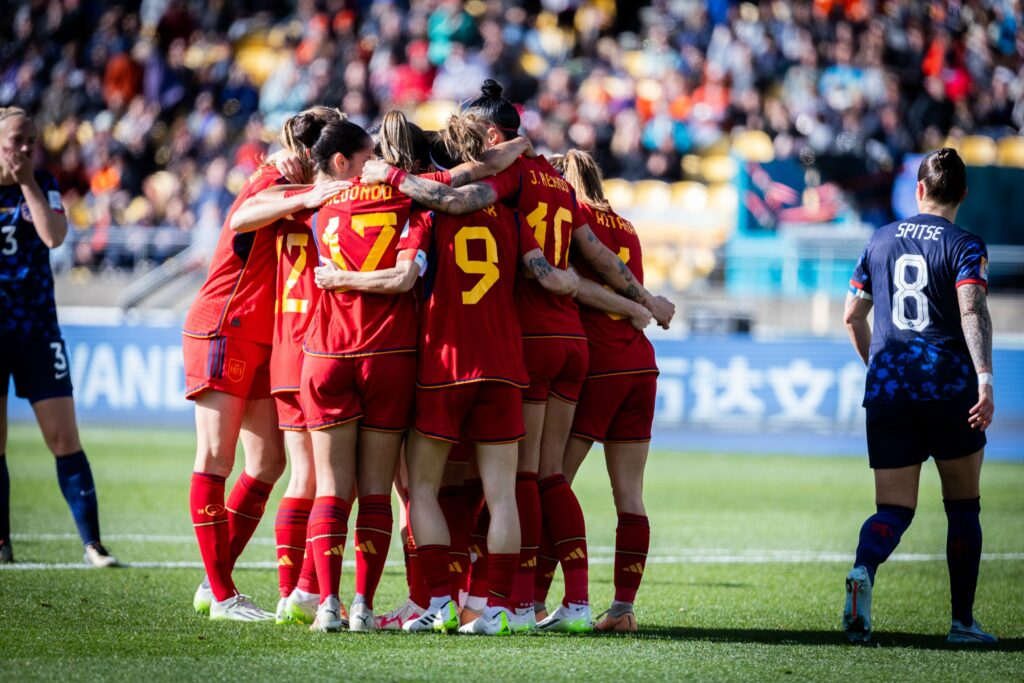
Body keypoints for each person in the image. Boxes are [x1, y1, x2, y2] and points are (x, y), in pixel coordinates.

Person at [361, 81, 675, 633]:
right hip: (572, 347)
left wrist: (389, 176)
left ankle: (491, 599)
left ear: (488, 136)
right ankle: (557, 601)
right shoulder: (556, 188)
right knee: (540, 481)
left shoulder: (508, 182)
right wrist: (642, 302)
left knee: (506, 480)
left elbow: (454, 193)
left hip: (507, 345)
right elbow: (581, 264)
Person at [328, 127, 577, 635]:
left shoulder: (427, 212)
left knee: (421, 486)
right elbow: (542, 274)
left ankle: (438, 600)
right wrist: (576, 283)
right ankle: (500, 608)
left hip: (445, 364)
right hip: (505, 365)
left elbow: (406, 277)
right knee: (503, 490)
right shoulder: (509, 216)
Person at [183, 107, 347, 622]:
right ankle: (223, 593)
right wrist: (309, 193)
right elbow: (242, 217)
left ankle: (216, 582)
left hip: (262, 339)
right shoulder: (273, 176)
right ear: (309, 152)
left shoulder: (289, 181)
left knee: (268, 464)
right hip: (224, 324)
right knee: (215, 457)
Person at [842, 148, 996, 645]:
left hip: (890, 391)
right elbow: (971, 312)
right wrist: (986, 378)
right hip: (949, 388)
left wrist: (878, 368)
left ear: (919, 190)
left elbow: (852, 315)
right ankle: (962, 623)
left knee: (893, 511)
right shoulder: (966, 245)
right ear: (963, 195)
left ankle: (864, 569)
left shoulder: (881, 238)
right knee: (963, 508)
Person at [0, 106, 117, 568]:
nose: (26, 148)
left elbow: (53, 236)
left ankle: (93, 544)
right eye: (15, 141)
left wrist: (27, 179)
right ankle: (2, 543)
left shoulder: (43, 183)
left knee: (63, 437)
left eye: (31, 139)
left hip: (37, 330)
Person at [552, 150, 660, 633]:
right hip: (639, 364)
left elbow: (573, 285)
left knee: (550, 481)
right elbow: (631, 285)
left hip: (597, 363)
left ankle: (534, 600)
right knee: (630, 497)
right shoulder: (628, 225)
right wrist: (643, 308)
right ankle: (622, 608)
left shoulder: (572, 220)